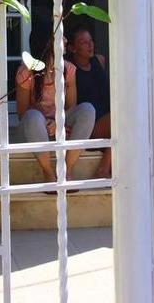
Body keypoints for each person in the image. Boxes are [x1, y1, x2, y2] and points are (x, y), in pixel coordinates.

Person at [16, 23, 96, 188]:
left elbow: (71, 106)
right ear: (48, 42)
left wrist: (58, 123)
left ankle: (67, 171)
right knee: (32, 116)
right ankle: (48, 172)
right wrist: (47, 124)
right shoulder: (27, 72)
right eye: (61, 36)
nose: (66, 40)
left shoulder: (69, 70)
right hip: (36, 129)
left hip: (61, 126)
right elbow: (22, 113)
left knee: (87, 109)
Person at [66, 26, 112, 179]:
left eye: (91, 41)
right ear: (72, 48)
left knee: (125, 118)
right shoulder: (69, 69)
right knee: (120, 120)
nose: (90, 45)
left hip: (106, 118)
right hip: (88, 124)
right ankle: (103, 170)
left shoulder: (99, 60)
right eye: (83, 42)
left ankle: (106, 164)